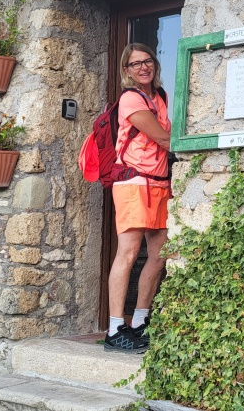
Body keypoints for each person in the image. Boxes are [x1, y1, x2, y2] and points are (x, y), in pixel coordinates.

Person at [104, 43, 172, 353]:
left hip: (159, 183)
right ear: (126, 71)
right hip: (134, 183)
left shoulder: (161, 97)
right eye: (135, 64)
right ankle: (115, 328)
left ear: (155, 64)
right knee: (129, 252)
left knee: (158, 255)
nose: (143, 67)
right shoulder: (131, 98)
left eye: (148, 61)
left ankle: (141, 321)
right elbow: (162, 137)